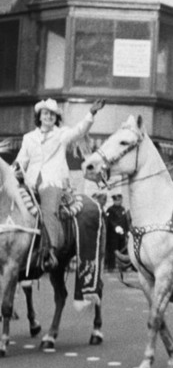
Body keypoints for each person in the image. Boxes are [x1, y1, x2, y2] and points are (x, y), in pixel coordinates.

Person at [14, 97, 105, 270]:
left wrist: (91, 113)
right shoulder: (28, 138)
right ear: (39, 116)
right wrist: (14, 171)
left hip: (52, 182)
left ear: (56, 119)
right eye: (45, 113)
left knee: (49, 210)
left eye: (52, 115)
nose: (48, 117)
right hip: (30, 182)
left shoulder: (61, 134)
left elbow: (79, 130)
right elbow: (21, 160)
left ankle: (51, 251)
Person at [104, 192, 131, 271]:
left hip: (122, 234)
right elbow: (110, 220)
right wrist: (116, 227)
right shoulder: (110, 209)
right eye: (117, 200)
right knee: (112, 250)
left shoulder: (122, 209)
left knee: (122, 249)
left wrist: (128, 230)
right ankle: (111, 267)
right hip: (113, 235)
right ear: (114, 201)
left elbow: (125, 221)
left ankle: (122, 267)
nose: (118, 202)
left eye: (119, 200)